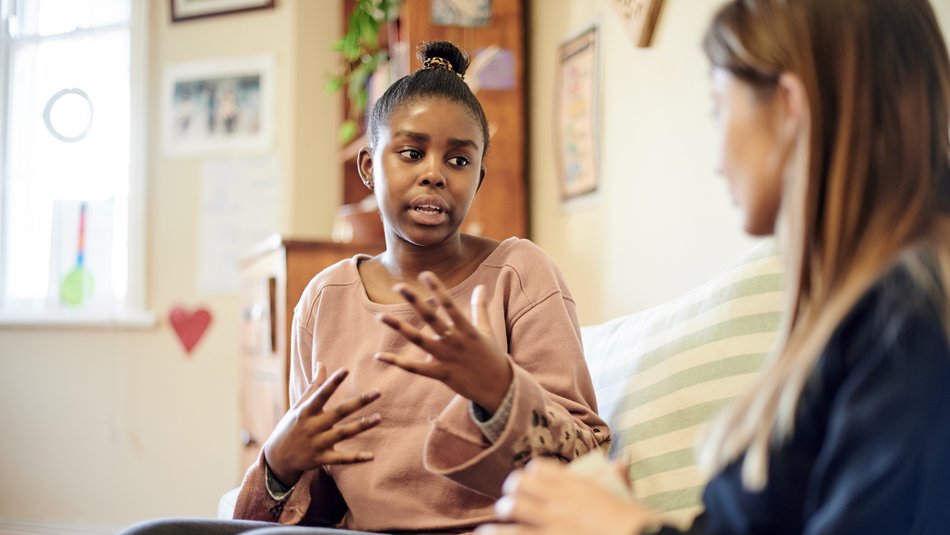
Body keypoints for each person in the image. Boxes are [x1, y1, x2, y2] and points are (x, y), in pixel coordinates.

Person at [478, 0, 950, 534]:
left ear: (790, 108)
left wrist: (625, 528)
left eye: (719, 109)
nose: (719, 159)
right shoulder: (854, 311)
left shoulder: (908, 322)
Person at [121, 41, 608, 535]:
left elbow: (585, 464)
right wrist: (278, 464)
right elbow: (315, 504)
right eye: (412, 153)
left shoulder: (520, 274)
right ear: (369, 167)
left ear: (480, 178)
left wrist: (497, 390)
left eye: (459, 161)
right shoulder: (324, 299)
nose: (434, 174)